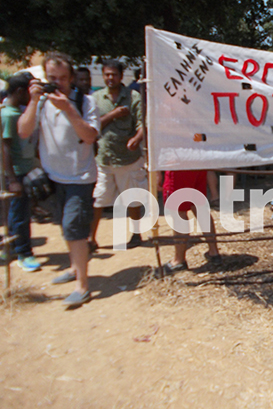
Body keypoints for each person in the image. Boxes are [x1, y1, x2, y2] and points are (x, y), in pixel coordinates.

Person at [18, 52, 99, 308]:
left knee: (75, 228)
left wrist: (69, 109)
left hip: (80, 177)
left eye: (63, 78)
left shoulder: (85, 102)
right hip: (53, 177)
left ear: (72, 78)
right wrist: (33, 101)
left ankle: (82, 286)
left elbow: (89, 136)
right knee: (65, 227)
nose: (58, 83)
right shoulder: (40, 103)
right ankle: (75, 268)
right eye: (52, 78)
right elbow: (23, 130)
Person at [89, 59, 147, 250]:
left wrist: (137, 139)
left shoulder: (133, 97)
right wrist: (113, 115)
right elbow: (92, 126)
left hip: (128, 159)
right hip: (104, 158)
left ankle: (136, 235)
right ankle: (91, 238)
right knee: (98, 199)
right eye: (106, 74)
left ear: (121, 76)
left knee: (133, 199)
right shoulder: (95, 98)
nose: (110, 78)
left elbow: (142, 124)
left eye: (114, 74)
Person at [1, 72, 40, 272]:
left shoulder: (18, 112)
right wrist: (12, 178)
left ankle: (13, 248)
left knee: (20, 212)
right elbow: (5, 148)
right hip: (17, 173)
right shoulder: (8, 115)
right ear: (19, 91)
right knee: (19, 214)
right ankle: (23, 252)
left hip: (25, 170)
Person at [161, 170, 221, 273]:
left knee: (179, 212)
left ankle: (179, 260)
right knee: (200, 207)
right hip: (195, 163)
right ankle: (214, 252)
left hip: (178, 167)